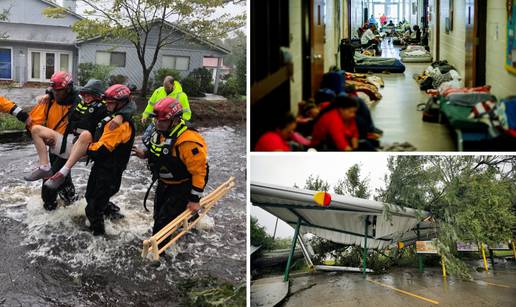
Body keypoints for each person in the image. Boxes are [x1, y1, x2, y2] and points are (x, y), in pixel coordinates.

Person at [54, 84, 135, 235]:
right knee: (91, 197)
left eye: (111, 102)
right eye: (107, 101)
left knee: (92, 208)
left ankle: (99, 238)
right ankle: (118, 218)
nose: (107, 104)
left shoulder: (119, 125)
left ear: (122, 103)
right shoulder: (115, 113)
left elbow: (102, 150)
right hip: (101, 168)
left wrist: (84, 148)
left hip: (110, 171)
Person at [132, 97, 208, 248]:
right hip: (165, 183)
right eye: (157, 120)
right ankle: (186, 221)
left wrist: (194, 199)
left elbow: (200, 173)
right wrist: (145, 154)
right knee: (158, 215)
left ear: (175, 120)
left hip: (182, 186)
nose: (159, 124)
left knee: (162, 223)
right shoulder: (160, 132)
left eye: (163, 121)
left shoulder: (188, 141)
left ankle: (158, 252)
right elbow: (160, 151)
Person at [23, 71, 79, 210]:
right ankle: (72, 204)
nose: (57, 93)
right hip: (53, 147)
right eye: (54, 90)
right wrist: (44, 138)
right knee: (63, 178)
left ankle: (50, 210)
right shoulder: (49, 100)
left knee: (49, 183)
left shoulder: (80, 103)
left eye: (60, 91)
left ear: (69, 88)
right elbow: (32, 124)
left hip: (68, 147)